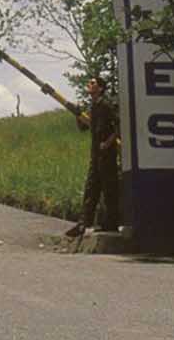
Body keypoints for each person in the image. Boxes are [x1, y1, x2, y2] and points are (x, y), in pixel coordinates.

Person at [64, 75, 121, 237]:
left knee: (109, 188)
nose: (89, 84)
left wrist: (108, 143)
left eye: (93, 83)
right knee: (91, 188)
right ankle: (83, 224)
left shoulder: (107, 104)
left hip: (107, 153)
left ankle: (111, 224)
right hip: (95, 153)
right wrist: (77, 114)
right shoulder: (93, 107)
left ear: (100, 88)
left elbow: (119, 126)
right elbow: (83, 127)